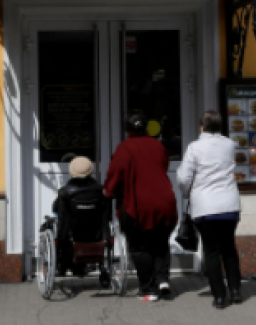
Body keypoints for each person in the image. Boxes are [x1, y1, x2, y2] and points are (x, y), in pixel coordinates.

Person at [104, 110, 178, 302]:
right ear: (146, 128)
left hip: (138, 205)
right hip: (164, 201)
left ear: (126, 130)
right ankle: (163, 281)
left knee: (139, 247)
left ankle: (148, 289)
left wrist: (108, 191)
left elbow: (116, 174)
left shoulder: (124, 148)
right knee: (160, 242)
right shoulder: (159, 146)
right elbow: (162, 167)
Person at [177, 110, 242, 310]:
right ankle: (236, 291)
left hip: (205, 208)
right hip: (230, 205)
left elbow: (183, 178)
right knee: (229, 248)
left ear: (202, 127)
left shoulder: (195, 147)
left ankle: (220, 297)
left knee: (211, 251)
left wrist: (187, 193)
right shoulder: (229, 145)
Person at [53, 156, 111, 283]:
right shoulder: (100, 191)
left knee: (60, 226)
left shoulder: (65, 192)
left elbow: (59, 214)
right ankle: (100, 267)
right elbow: (107, 216)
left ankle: (63, 265)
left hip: (73, 237)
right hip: (96, 236)